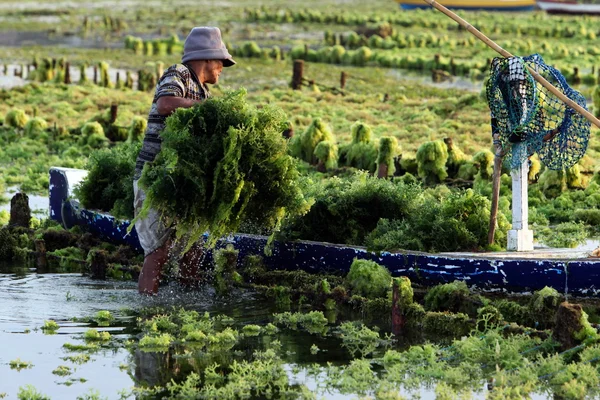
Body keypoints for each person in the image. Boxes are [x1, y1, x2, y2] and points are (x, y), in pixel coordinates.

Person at [133, 27, 236, 295]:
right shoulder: (178, 73)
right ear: (208, 58)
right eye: (221, 62)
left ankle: (186, 305)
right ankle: (147, 314)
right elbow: (165, 103)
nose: (222, 68)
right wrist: (205, 109)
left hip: (181, 182)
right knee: (158, 252)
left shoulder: (203, 93)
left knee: (192, 250)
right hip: (155, 178)